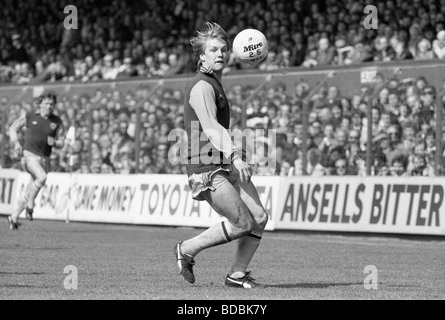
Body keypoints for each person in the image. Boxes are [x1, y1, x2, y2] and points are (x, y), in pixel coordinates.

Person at [174, 22, 268, 289]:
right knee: (242, 223)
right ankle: (187, 249)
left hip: (223, 160)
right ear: (201, 56)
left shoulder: (214, 82)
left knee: (259, 218)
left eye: (223, 49)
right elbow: (212, 128)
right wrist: (236, 155)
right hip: (206, 166)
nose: (220, 53)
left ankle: (236, 275)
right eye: (213, 49)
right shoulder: (202, 86)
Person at [8, 92, 65, 230]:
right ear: (40, 104)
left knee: (31, 189)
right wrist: (16, 142)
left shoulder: (57, 122)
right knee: (42, 177)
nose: (49, 106)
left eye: (51, 104)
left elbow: (62, 142)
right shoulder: (30, 116)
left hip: (44, 159)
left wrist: (55, 143)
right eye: (46, 103)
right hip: (29, 157)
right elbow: (13, 128)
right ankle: (31, 204)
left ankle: (14, 217)